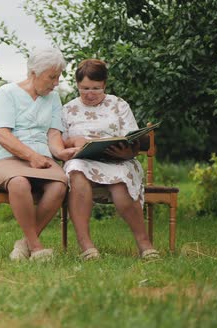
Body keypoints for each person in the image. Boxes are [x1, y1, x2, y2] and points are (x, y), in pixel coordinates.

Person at [0, 47, 78, 262]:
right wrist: (30, 156)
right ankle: (36, 248)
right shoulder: (6, 93)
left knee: (60, 183)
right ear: (34, 73)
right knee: (19, 182)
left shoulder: (53, 98)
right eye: (52, 77)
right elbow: (2, 134)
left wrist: (62, 152)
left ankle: (23, 244)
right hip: (4, 159)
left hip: (41, 160)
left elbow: (53, 134)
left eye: (58, 77)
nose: (56, 83)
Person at [61, 58, 159, 260]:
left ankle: (144, 244)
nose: (89, 94)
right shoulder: (68, 109)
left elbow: (133, 139)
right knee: (75, 170)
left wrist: (127, 153)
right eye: (84, 88)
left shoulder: (119, 104)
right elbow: (58, 143)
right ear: (77, 85)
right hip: (83, 161)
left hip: (118, 160)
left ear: (104, 84)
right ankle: (86, 246)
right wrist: (72, 142)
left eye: (96, 89)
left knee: (121, 181)